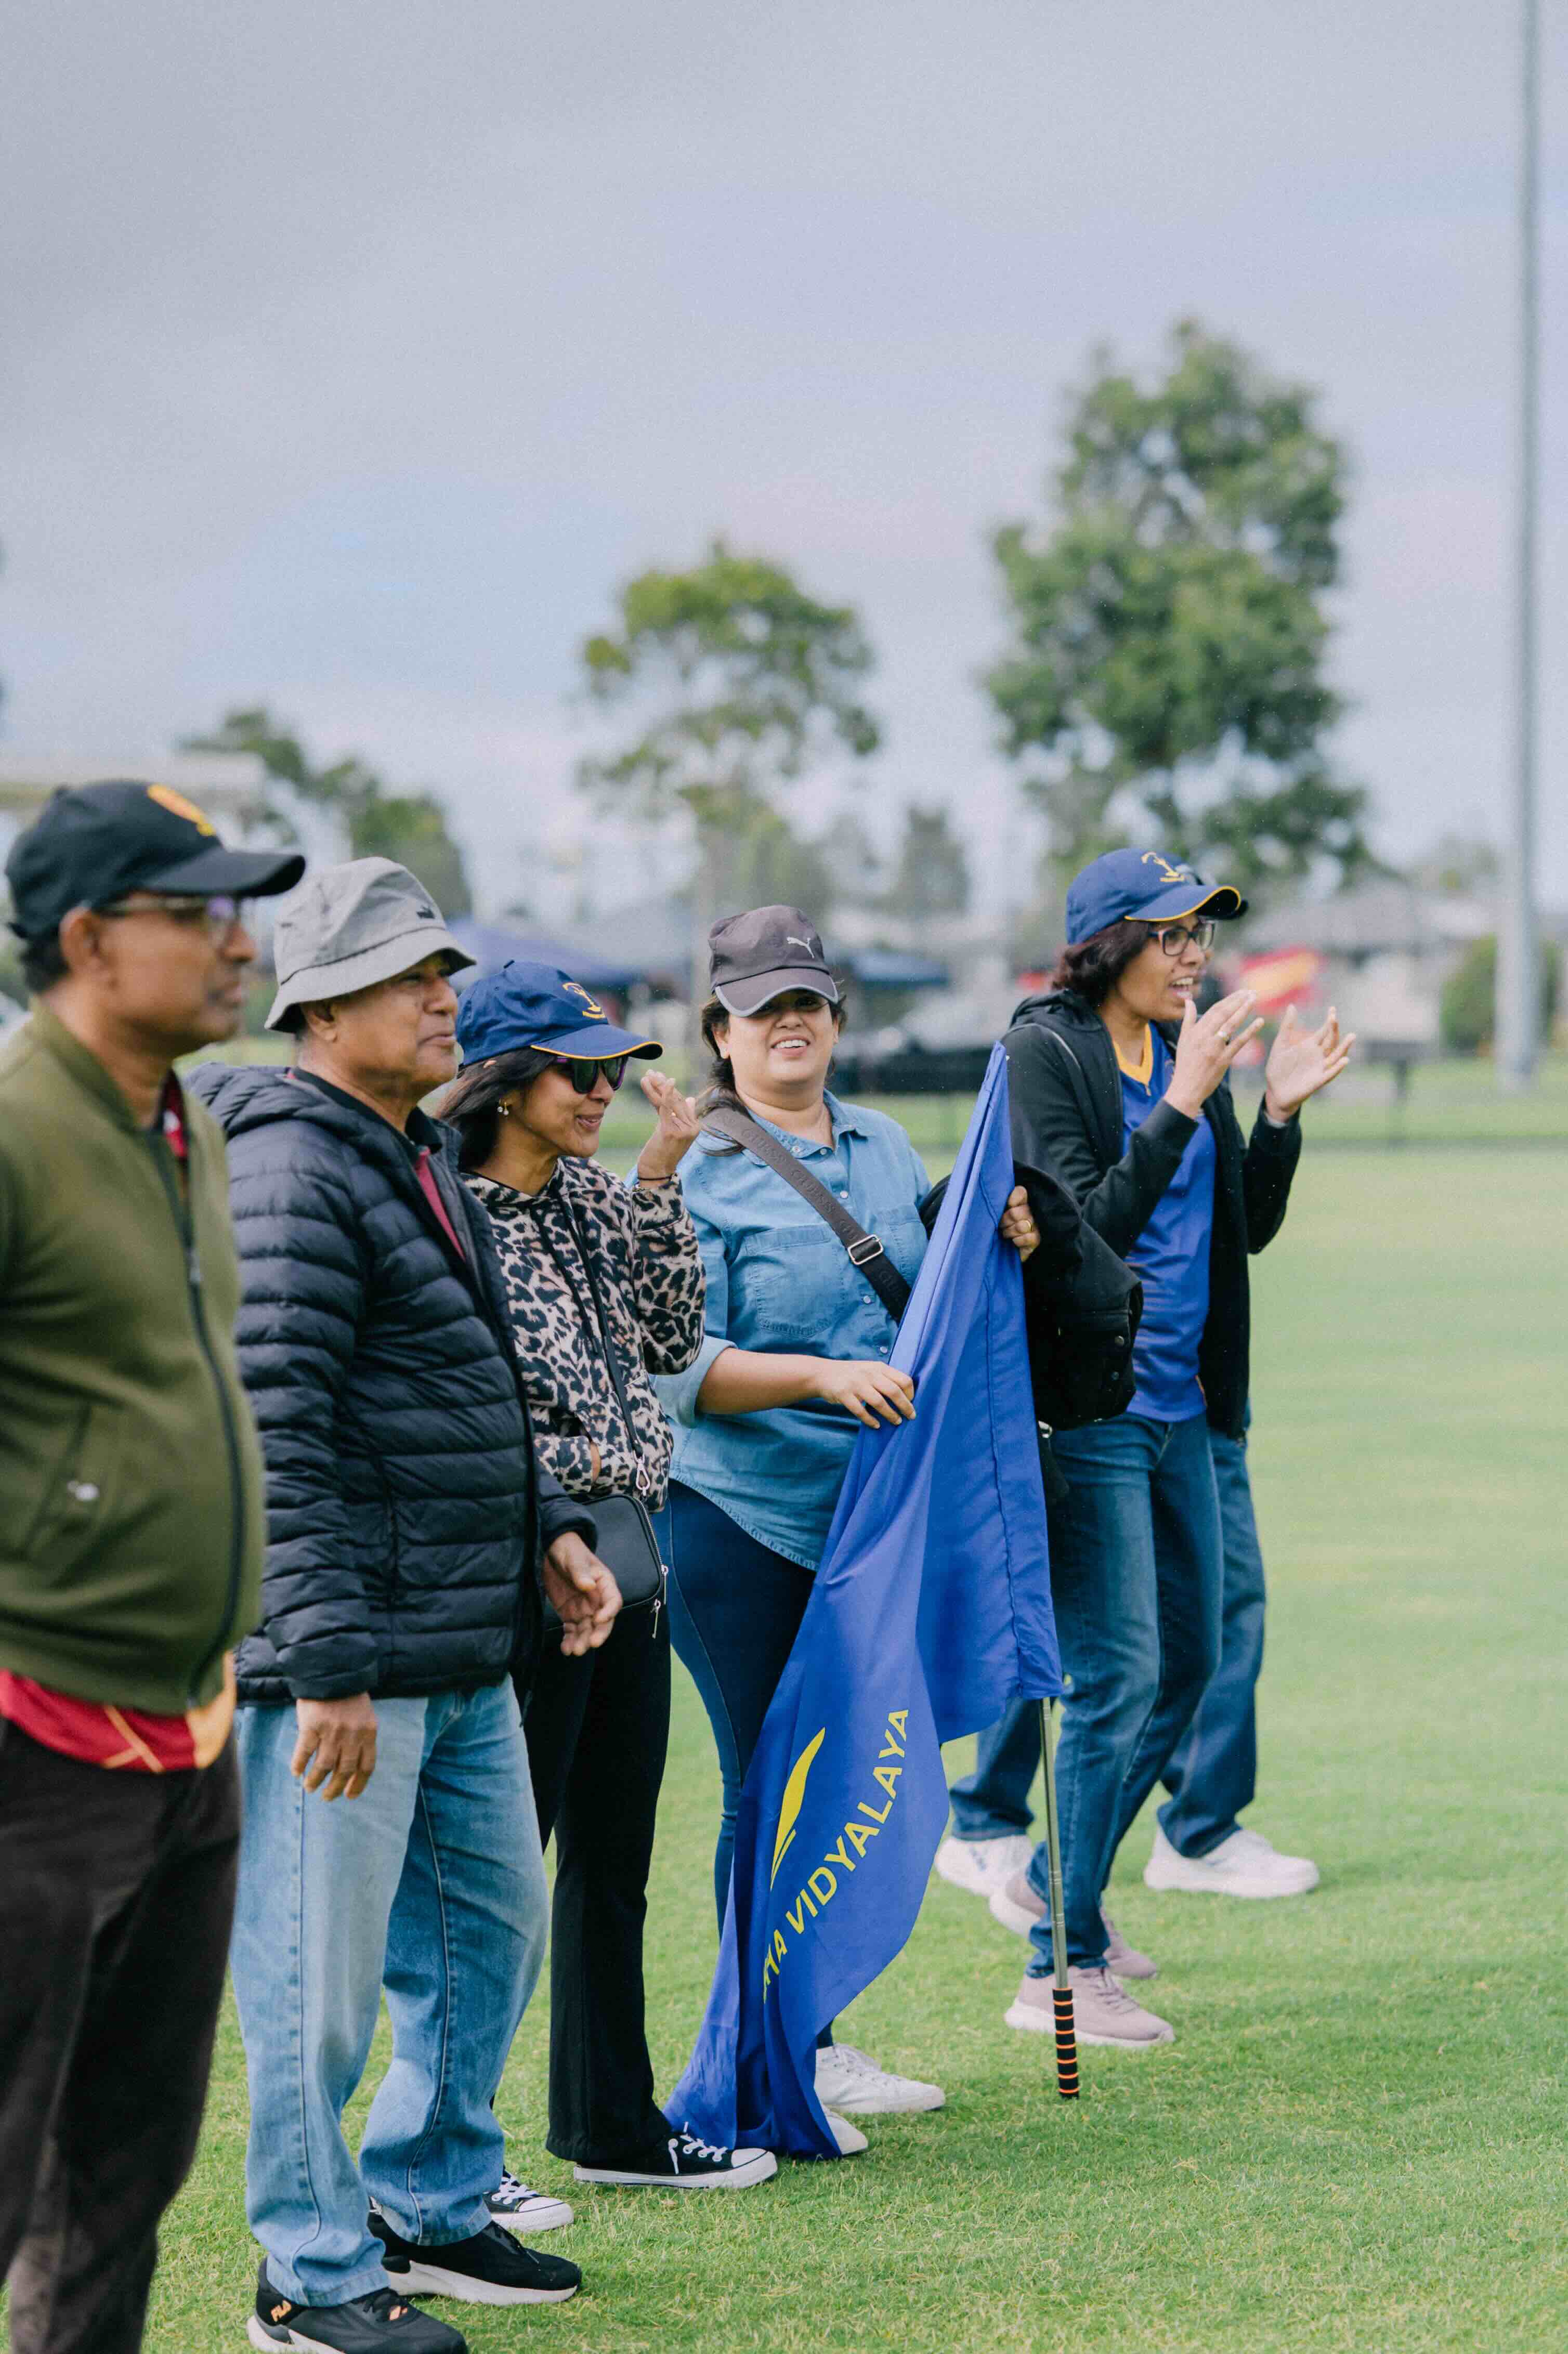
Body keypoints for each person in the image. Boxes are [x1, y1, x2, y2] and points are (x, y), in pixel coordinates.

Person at [188, 860, 622, 2354]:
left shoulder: (414, 1148)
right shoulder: (291, 1168)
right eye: (406, 978)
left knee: (491, 1925)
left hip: (455, 1632)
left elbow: (467, 1379)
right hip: (340, 1657)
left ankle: (427, 2205)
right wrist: (321, 1662)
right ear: (320, 1009)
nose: (443, 998)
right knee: (311, 1981)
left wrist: (548, 1528)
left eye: (442, 971)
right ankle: (307, 2277)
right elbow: (275, 1427)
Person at [652, 905, 1041, 2140]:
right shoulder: (694, 1169)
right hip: (735, 1520)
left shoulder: (880, 1142)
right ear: (720, 1030)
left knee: (847, 1772)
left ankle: (807, 2038)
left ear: (834, 1016)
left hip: (866, 1527)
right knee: (764, 1786)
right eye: (761, 1006)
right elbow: (679, 1364)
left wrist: (996, 1228)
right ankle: (755, 2058)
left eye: (807, 1001)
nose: (789, 1021)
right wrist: (819, 1378)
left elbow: (922, 1294)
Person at [0, 781, 301, 2354]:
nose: (235, 941)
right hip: (33, 1744)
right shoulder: (18, 1129)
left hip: (190, 1733)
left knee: (124, 2177)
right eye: (195, 911)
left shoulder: (179, 1121)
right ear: (89, 939)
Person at [984, 848, 1351, 2049]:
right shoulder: (1046, 1051)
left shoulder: (1182, 1044)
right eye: (1169, 932)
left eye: (1201, 932)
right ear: (1106, 945)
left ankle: (1056, 1879)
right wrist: (1182, 1098)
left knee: (1189, 1659)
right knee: (1116, 1675)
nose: (1192, 953)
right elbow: (1080, 1233)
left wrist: (1275, 1111)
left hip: (1185, 1404)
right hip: (1090, 1409)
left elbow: (1240, 1221)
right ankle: (1059, 1963)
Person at [443, 960, 777, 2197]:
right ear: (502, 1082)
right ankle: (451, 2155)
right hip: (522, 1564)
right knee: (495, 1876)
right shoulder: (448, 1214)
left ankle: (610, 2124)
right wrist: (550, 1521)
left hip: (633, 1550)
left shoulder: (594, 1192)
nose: (601, 1090)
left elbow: (674, 1337)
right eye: (576, 1072)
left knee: (611, 1856)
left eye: (610, 1068)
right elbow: (462, 1408)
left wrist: (658, 1179)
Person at [937, 1414, 1317, 1921]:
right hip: (1093, 1412)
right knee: (1095, 1644)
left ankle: (1196, 1828)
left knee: (1204, 1632)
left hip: (1193, 1404)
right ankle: (994, 1820)